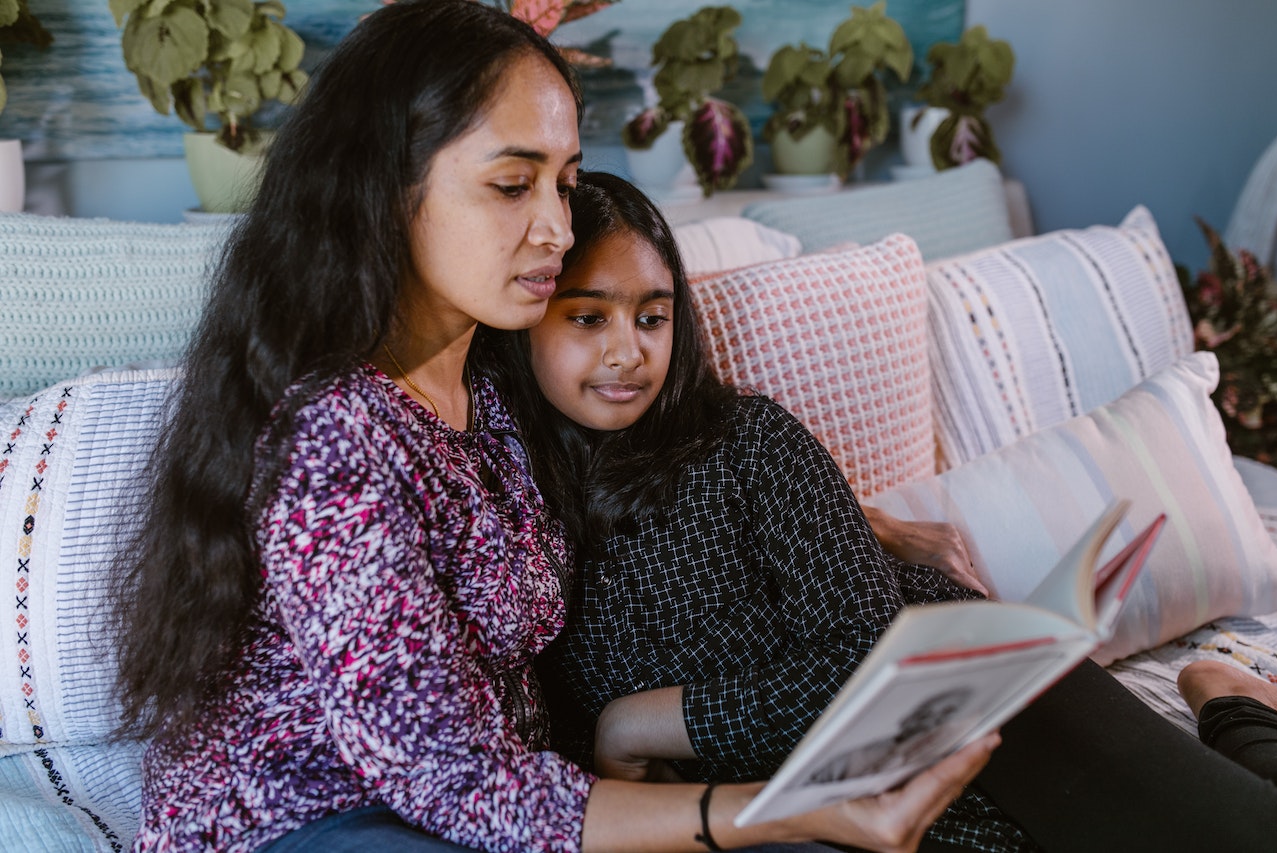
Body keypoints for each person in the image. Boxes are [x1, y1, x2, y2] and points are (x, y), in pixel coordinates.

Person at [108, 3, 998, 852]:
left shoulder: (494, 397)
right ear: (383, 187)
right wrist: (779, 812)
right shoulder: (334, 434)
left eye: (565, 183)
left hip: (487, 809)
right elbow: (456, 778)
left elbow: (647, 481)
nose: (557, 227)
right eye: (511, 183)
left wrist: (855, 523)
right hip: (316, 823)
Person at [479, 169, 1277, 852]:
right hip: (804, 821)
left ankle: (1233, 701)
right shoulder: (505, 511)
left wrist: (637, 725)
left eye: (652, 316)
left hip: (988, 722)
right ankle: (1237, 714)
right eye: (589, 316)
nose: (629, 350)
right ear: (525, 320)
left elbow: (868, 674)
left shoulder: (749, 439)